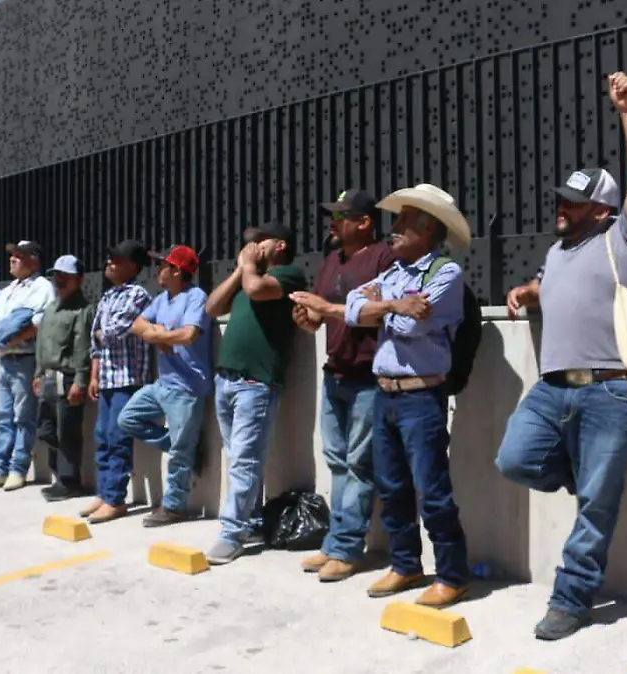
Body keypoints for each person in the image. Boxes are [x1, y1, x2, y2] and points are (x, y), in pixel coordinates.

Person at [494, 71, 627, 641]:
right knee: (514, 459)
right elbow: (551, 284)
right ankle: (586, 474)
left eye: (574, 201)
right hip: (551, 388)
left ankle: (572, 598)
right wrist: (526, 289)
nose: (562, 206)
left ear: (603, 209)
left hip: (612, 390)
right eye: (562, 198)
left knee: (596, 506)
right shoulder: (557, 249)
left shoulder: (625, 237)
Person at [295, 183, 473, 607]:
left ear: (428, 229)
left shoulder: (445, 273)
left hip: (420, 398)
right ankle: (405, 564)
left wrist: (380, 308)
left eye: (406, 222)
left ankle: (452, 573)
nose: (395, 229)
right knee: (392, 488)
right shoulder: (395, 276)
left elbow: (411, 324)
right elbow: (355, 309)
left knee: (431, 490)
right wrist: (393, 306)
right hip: (385, 394)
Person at [289, 189, 396, 582]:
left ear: (364, 222)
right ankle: (336, 542)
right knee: (336, 461)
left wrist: (325, 309)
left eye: (341, 216)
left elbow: (381, 314)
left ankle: (349, 548)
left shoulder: (384, 257)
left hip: (369, 377)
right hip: (334, 371)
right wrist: (305, 316)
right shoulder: (331, 259)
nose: (333, 224)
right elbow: (317, 320)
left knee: (358, 465)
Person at [203, 221, 308, 565]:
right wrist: (239, 270)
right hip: (227, 380)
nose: (253, 246)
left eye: (261, 241)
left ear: (280, 245)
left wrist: (248, 269)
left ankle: (232, 534)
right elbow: (212, 308)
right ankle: (250, 520)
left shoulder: (289, 274)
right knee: (239, 460)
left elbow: (259, 290)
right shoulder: (246, 277)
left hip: (256, 384)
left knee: (245, 460)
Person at [118, 245, 213, 527]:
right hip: (163, 384)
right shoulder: (163, 299)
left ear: (177, 271)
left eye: (163, 266)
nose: (157, 271)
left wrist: (163, 337)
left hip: (187, 387)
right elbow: (136, 324)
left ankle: (174, 506)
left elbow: (189, 335)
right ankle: (184, 447)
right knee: (128, 419)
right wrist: (158, 335)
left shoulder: (196, 297)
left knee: (180, 454)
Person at [79, 239, 153, 524]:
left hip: (127, 378)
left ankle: (115, 498)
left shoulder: (138, 295)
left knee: (118, 437)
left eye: (116, 260)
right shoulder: (108, 296)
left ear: (133, 266)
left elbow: (112, 332)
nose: (109, 264)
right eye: (109, 259)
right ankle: (103, 491)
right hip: (108, 378)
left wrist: (100, 334)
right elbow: (96, 338)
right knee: (102, 437)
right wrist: (94, 375)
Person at [0, 241, 55, 492]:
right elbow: (1, 318)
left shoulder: (42, 287)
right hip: (6, 359)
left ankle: (18, 469)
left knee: (23, 417)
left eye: (18, 256)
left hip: (25, 358)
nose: (12, 260)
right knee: (2, 416)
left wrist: (14, 338)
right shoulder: (8, 290)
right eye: (11, 256)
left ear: (34, 260)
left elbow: (40, 321)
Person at [32, 255, 95, 501]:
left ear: (78, 280)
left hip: (67, 378)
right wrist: (38, 372)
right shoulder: (51, 308)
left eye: (65, 276)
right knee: (47, 429)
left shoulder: (83, 310)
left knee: (67, 432)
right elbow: (41, 344)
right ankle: (59, 475)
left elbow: (83, 347)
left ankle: (69, 482)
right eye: (57, 275)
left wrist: (80, 380)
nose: (59, 280)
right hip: (47, 377)